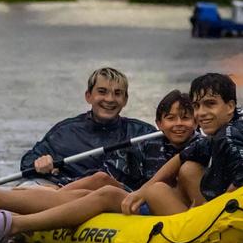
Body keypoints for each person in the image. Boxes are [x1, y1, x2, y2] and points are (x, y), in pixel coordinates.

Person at [0, 91, 198, 243]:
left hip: (164, 208)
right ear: (159, 122)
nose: (178, 124)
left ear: (196, 121)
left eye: (185, 118)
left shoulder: (199, 144)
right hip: (141, 198)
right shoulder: (151, 141)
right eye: (171, 118)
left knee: (106, 193)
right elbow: (116, 173)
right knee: (99, 179)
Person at [119, 72, 243, 217]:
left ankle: (192, 229)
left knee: (156, 192)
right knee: (188, 168)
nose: (201, 113)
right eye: (197, 106)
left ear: (230, 106)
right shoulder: (221, 134)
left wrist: (208, 213)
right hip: (228, 210)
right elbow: (181, 157)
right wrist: (141, 191)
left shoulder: (230, 135)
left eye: (210, 104)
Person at [18, 66, 156, 187]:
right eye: (102, 92)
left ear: (125, 100)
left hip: (119, 201)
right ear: (88, 96)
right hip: (65, 195)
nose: (110, 99)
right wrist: (40, 163)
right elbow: (27, 162)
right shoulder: (65, 132)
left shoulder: (144, 133)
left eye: (117, 93)